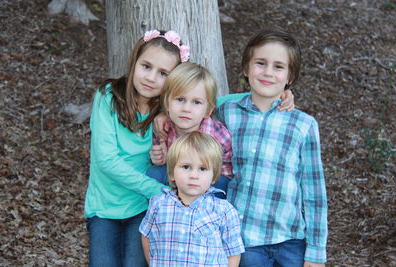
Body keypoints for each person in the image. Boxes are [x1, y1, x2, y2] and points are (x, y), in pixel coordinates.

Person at [216, 28, 328, 267]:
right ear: (246, 68)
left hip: (290, 241)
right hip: (245, 241)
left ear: (290, 77)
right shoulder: (227, 113)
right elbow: (197, 104)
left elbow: (314, 193)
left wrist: (316, 251)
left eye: (278, 66)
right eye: (260, 63)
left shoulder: (304, 125)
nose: (268, 72)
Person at [84, 29, 190, 267]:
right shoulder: (108, 97)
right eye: (146, 66)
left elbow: (208, 99)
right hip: (104, 209)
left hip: (143, 209)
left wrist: (278, 96)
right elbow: (107, 161)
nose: (151, 77)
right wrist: (158, 191)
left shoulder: (168, 109)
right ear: (134, 62)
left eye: (163, 73)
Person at [139, 131, 245, 266]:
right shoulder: (159, 204)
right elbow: (146, 236)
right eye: (186, 167)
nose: (194, 175)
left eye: (202, 168)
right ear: (171, 173)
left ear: (214, 176)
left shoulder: (224, 211)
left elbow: (233, 252)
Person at [147, 62, 234, 198]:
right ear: (167, 104)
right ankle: (166, 210)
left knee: (221, 183)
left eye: (196, 102)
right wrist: (159, 158)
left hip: (212, 181)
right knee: (154, 173)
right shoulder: (164, 128)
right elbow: (162, 159)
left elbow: (228, 166)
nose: (186, 108)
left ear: (208, 111)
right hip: (179, 176)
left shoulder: (217, 135)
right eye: (180, 99)